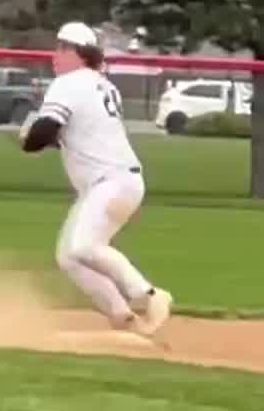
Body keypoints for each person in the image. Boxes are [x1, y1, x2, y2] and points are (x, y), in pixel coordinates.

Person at [16, 21, 173, 336]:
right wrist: (44, 136)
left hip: (111, 182)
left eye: (64, 47)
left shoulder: (69, 83)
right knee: (69, 256)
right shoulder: (101, 83)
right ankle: (121, 316)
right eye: (56, 46)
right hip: (115, 182)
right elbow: (78, 134)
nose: (56, 54)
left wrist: (30, 134)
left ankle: (150, 295)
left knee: (84, 247)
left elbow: (40, 137)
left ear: (81, 54)